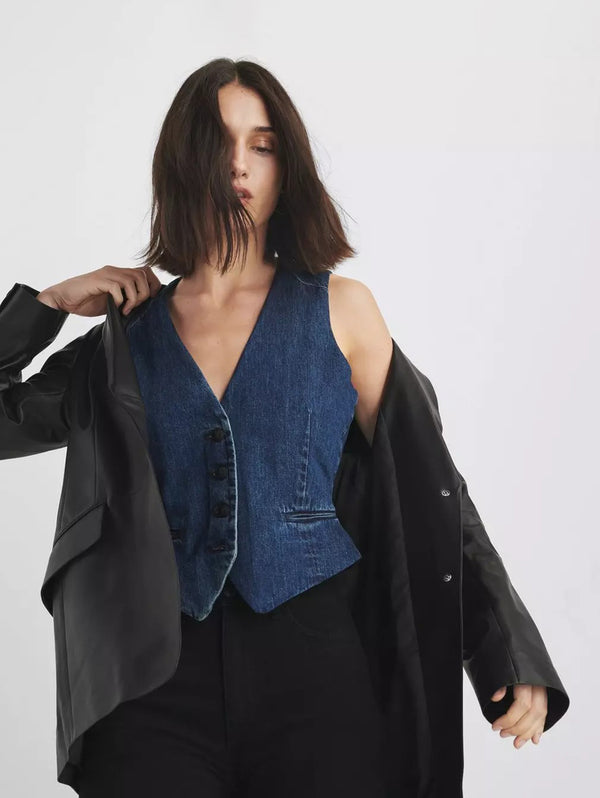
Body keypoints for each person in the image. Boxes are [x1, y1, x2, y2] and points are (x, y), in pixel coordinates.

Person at [1, 58, 567, 797]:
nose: (239, 165)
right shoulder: (123, 339)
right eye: (218, 142)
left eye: (262, 145)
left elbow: (433, 488)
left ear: (285, 166)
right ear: (182, 161)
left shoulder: (343, 310)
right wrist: (43, 306)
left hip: (319, 673)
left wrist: (505, 649)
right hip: (150, 686)